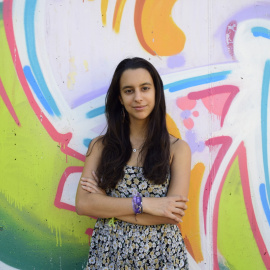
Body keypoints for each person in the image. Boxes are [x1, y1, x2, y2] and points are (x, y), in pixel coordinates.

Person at [76, 57, 191, 270]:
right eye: (129, 91)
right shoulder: (100, 147)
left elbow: (172, 215)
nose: (138, 97)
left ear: (156, 92)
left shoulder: (177, 149)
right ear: (119, 98)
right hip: (109, 257)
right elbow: (83, 205)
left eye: (145, 88)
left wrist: (106, 204)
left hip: (162, 257)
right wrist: (145, 204)